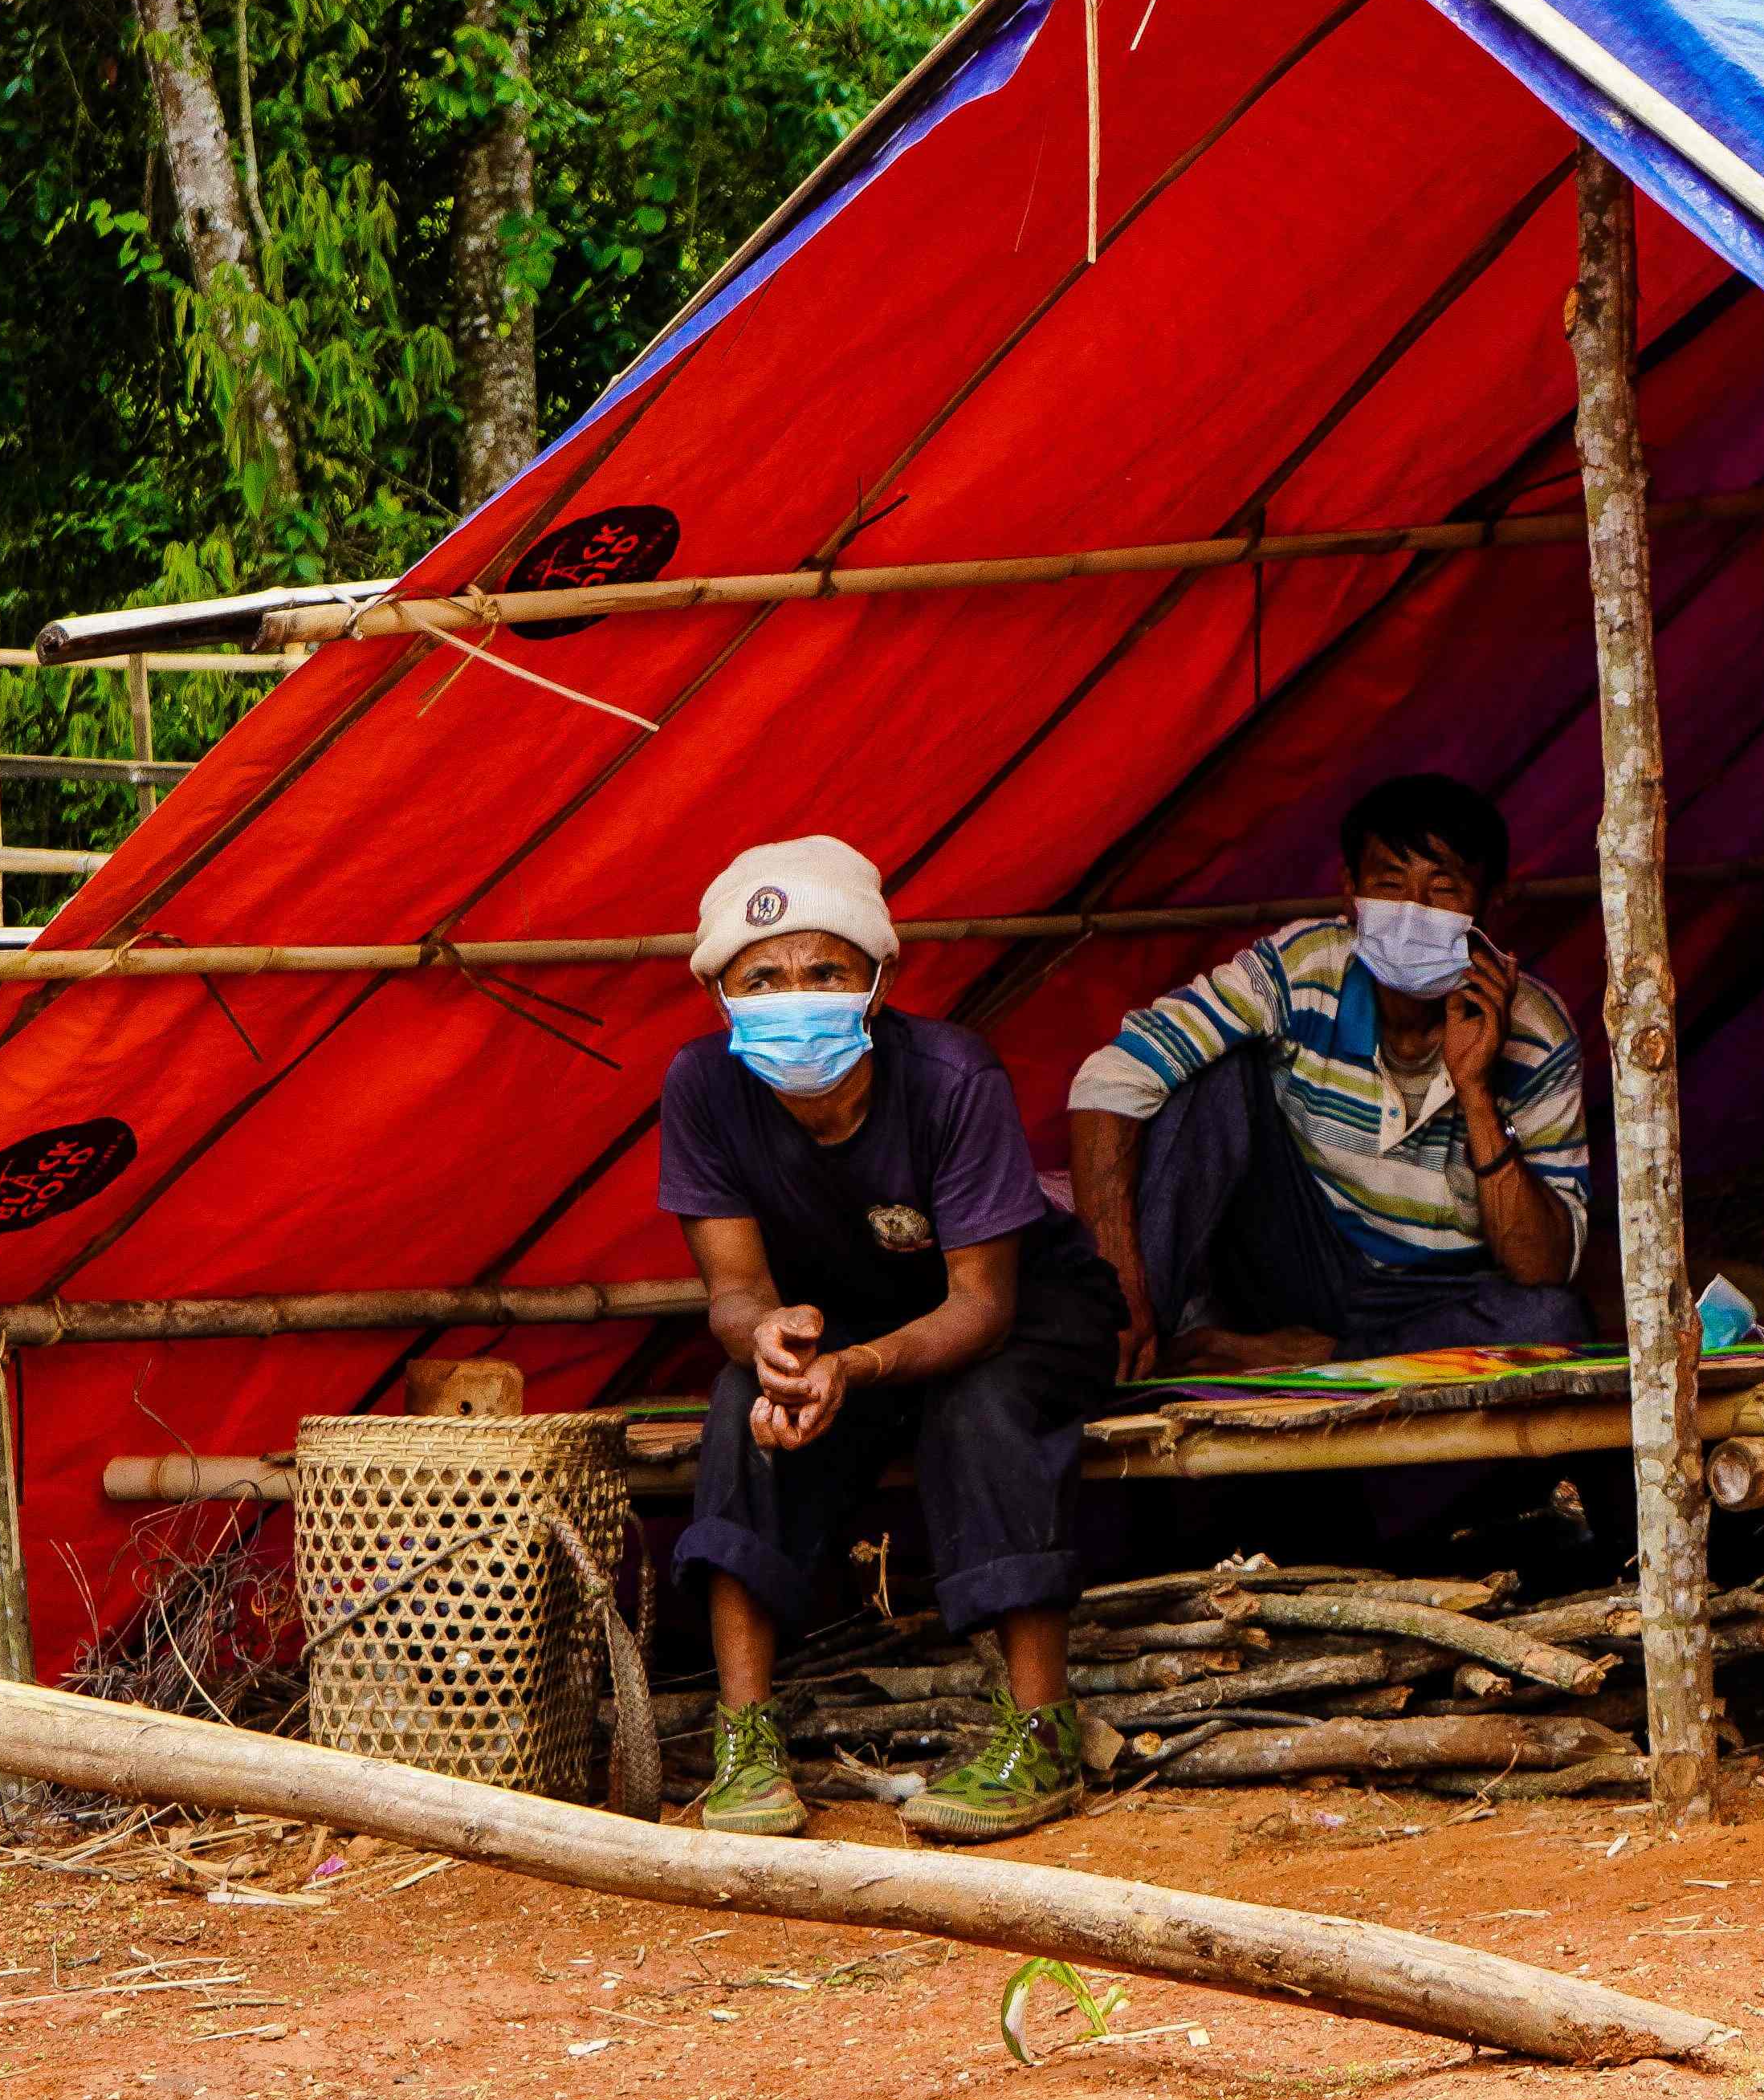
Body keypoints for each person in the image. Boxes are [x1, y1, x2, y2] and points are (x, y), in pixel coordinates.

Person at [662, 838, 1125, 1846]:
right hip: (847, 1321)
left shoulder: (951, 1076)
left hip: (1023, 1309)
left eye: (825, 971)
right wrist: (770, 1338)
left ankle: (1042, 1732)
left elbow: (981, 1307)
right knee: (741, 1407)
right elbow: (735, 1288)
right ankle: (746, 1739)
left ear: (878, 983)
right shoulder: (704, 1086)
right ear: (721, 997)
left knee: (981, 1402)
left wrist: (860, 1367)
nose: (797, 995)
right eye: (764, 977)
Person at [1067, 774, 1590, 1372]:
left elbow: (1545, 1267)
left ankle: (1319, 1357)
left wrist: (1474, 1090)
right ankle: (1134, 1351)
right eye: (1389, 885)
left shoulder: (1536, 1031)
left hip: (1432, 1298)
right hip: (1295, 1260)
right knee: (1213, 1071)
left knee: (1553, 1324)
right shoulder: (1303, 967)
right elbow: (1109, 1080)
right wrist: (1122, 1295)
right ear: (1350, 894)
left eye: (1442, 890)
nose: (1412, 912)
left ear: (1491, 903)